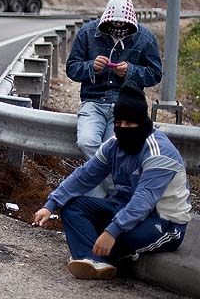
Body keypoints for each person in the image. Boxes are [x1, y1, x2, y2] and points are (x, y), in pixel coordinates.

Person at [33, 81, 191, 280]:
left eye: (129, 124)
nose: (123, 128)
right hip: (122, 209)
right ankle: (94, 260)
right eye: (118, 124)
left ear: (142, 123)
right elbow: (84, 176)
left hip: (164, 222)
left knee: (122, 236)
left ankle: (96, 255)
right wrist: (51, 204)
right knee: (72, 206)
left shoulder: (159, 153)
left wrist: (112, 231)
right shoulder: (113, 146)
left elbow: (144, 200)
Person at [66, 0, 162, 197]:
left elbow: (155, 74)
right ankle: (113, 193)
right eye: (114, 25)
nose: (118, 29)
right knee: (87, 141)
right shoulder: (87, 33)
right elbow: (72, 68)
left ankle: (99, 200)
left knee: (116, 149)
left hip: (125, 105)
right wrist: (92, 67)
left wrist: (131, 72)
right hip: (93, 101)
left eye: (123, 26)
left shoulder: (145, 38)